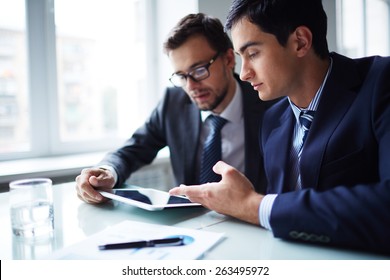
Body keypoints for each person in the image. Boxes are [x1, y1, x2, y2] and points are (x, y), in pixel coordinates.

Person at [170, 0, 390, 254]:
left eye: (253, 54)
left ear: (300, 42)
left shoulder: (381, 83)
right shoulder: (273, 120)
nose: (244, 74)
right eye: (241, 58)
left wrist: (253, 205)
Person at [76, 13, 276, 204]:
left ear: (229, 60)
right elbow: (133, 149)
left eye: (199, 70)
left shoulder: (272, 106)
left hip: (250, 225)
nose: (191, 86)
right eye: (181, 76)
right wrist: (107, 171)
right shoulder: (173, 103)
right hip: (191, 226)